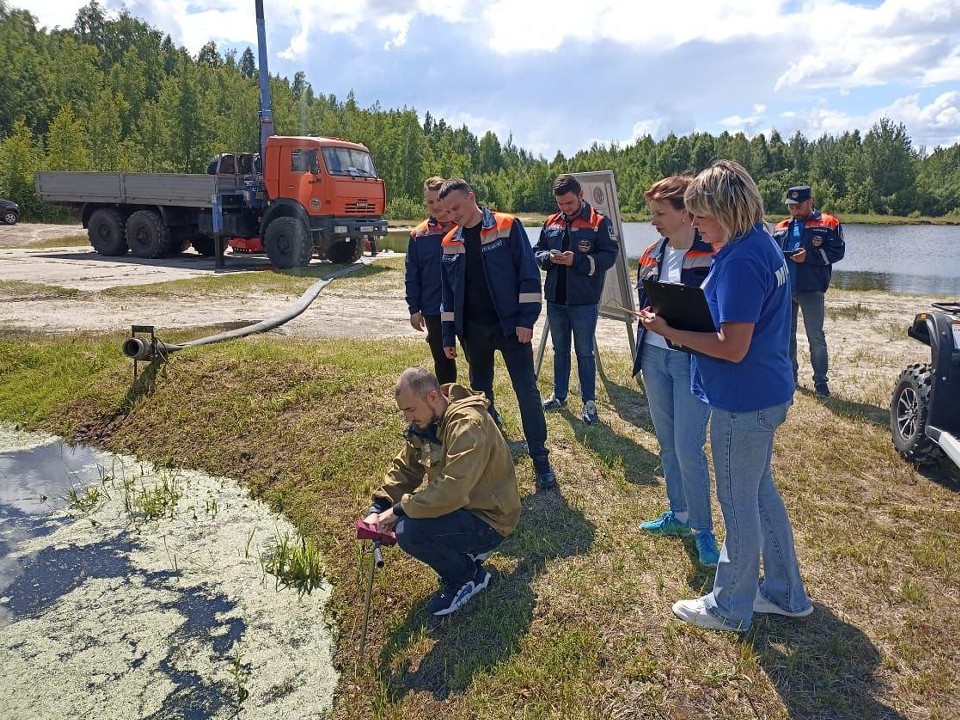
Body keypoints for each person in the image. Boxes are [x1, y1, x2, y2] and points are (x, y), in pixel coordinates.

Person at [640, 160, 813, 632]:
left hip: (743, 399)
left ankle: (729, 606)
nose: (694, 225)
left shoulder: (739, 258)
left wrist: (672, 331)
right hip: (766, 390)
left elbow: (732, 348)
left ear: (724, 209)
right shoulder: (762, 242)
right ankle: (785, 593)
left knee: (738, 503)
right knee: (759, 493)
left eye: (700, 215)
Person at [363, 367, 520, 616]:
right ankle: (465, 553)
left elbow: (452, 489)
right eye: (403, 411)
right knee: (408, 521)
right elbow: (407, 466)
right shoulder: (430, 419)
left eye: (410, 410)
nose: (407, 418)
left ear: (433, 397)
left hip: (490, 519)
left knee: (409, 530)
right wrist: (380, 505)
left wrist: (399, 509)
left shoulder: (468, 425)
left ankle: (469, 578)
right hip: (463, 508)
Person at [437, 178, 556, 490]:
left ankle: (540, 459)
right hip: (473, 332)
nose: (453, 215)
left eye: (457, 207)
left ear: (472, 198)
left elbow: (528, 276)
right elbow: (448, 296)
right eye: (447, 210)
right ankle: (487, 457)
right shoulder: (449, 240)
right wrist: (448, 335)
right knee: (480, 395)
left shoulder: (507, 226)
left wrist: (526, 321)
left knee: (526, 392)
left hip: (511, 328)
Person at [632, 175, 719, 567]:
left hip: (691, 361)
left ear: (687, 213)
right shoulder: (651, 254)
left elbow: (720, 313)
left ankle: (704, 530)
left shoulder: (713, 254)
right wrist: (648, 316)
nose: (653, 221)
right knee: (667, 443)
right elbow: (646, 300)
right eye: (652, 213)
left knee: (688, 447)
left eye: (660, 213)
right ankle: (679, 514)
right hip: (653, 357)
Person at [534, 174, 619, 425]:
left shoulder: (599, 222)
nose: (565, 208)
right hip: (556, 299)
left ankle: (589, 402)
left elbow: (609, 256)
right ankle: (559, 396)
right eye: (560, 204)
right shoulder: (551, 221)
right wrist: (548, 257)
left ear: (581, 196)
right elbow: (536, 252)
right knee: (560, 350)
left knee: (584, 351)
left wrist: (578, 261)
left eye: (569, 203)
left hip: (584, 301)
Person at [772, 185, 844, 398]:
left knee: (816, 337)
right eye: (791, 206)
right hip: (785, 289)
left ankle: (821, 382)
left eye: (798, 205)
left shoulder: (828, 223)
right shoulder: (781, 226)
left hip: (812, 288)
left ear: (810, 202)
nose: (794, 210)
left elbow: (837, 252)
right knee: (787, 336)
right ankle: (790, 377)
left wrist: (809, 257)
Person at [405, 176, 457, 384]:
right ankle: (446, 410)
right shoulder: (419, 235)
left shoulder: (464, 227)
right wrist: (414, 309)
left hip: (466, 306)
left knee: (477, 359)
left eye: (438, 200)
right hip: (434, 308)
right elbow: (412, 275)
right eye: (430, 202)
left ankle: (482, 407)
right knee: (443, 361)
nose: (435, 206)